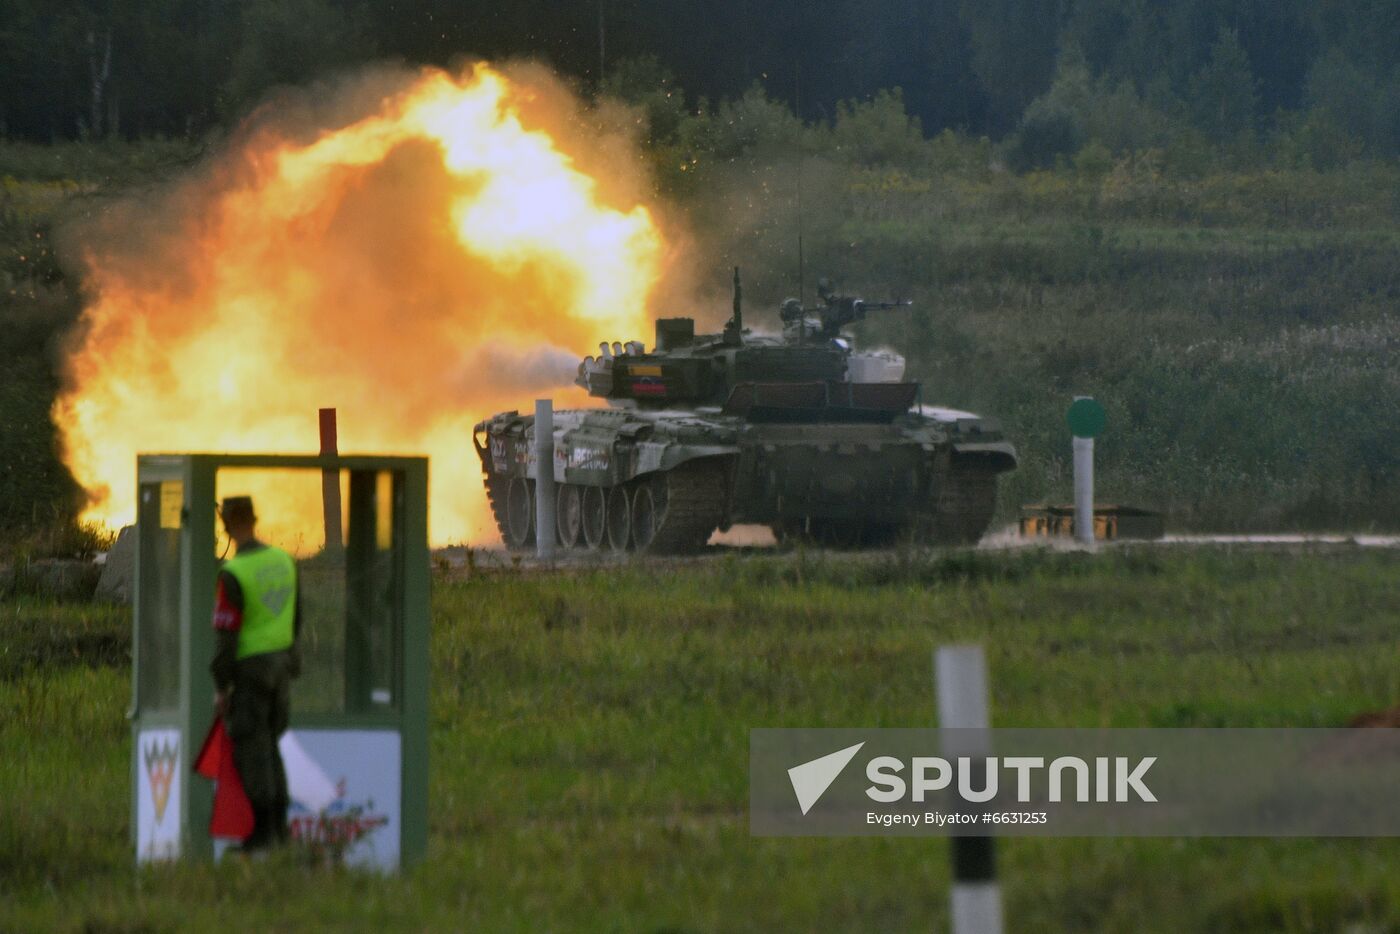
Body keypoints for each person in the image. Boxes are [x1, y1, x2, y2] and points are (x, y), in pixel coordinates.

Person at [211, 496, 301, 851]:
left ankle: (262, 835)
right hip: (281, 670)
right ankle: (279, 830)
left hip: (251, 672)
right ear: (255, 519)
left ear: (227, 525)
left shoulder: (234, 573)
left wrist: (222, 685)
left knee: (251, 749)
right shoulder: (283, 561)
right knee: (272, 747)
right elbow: (296, 618)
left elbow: (226, 634)